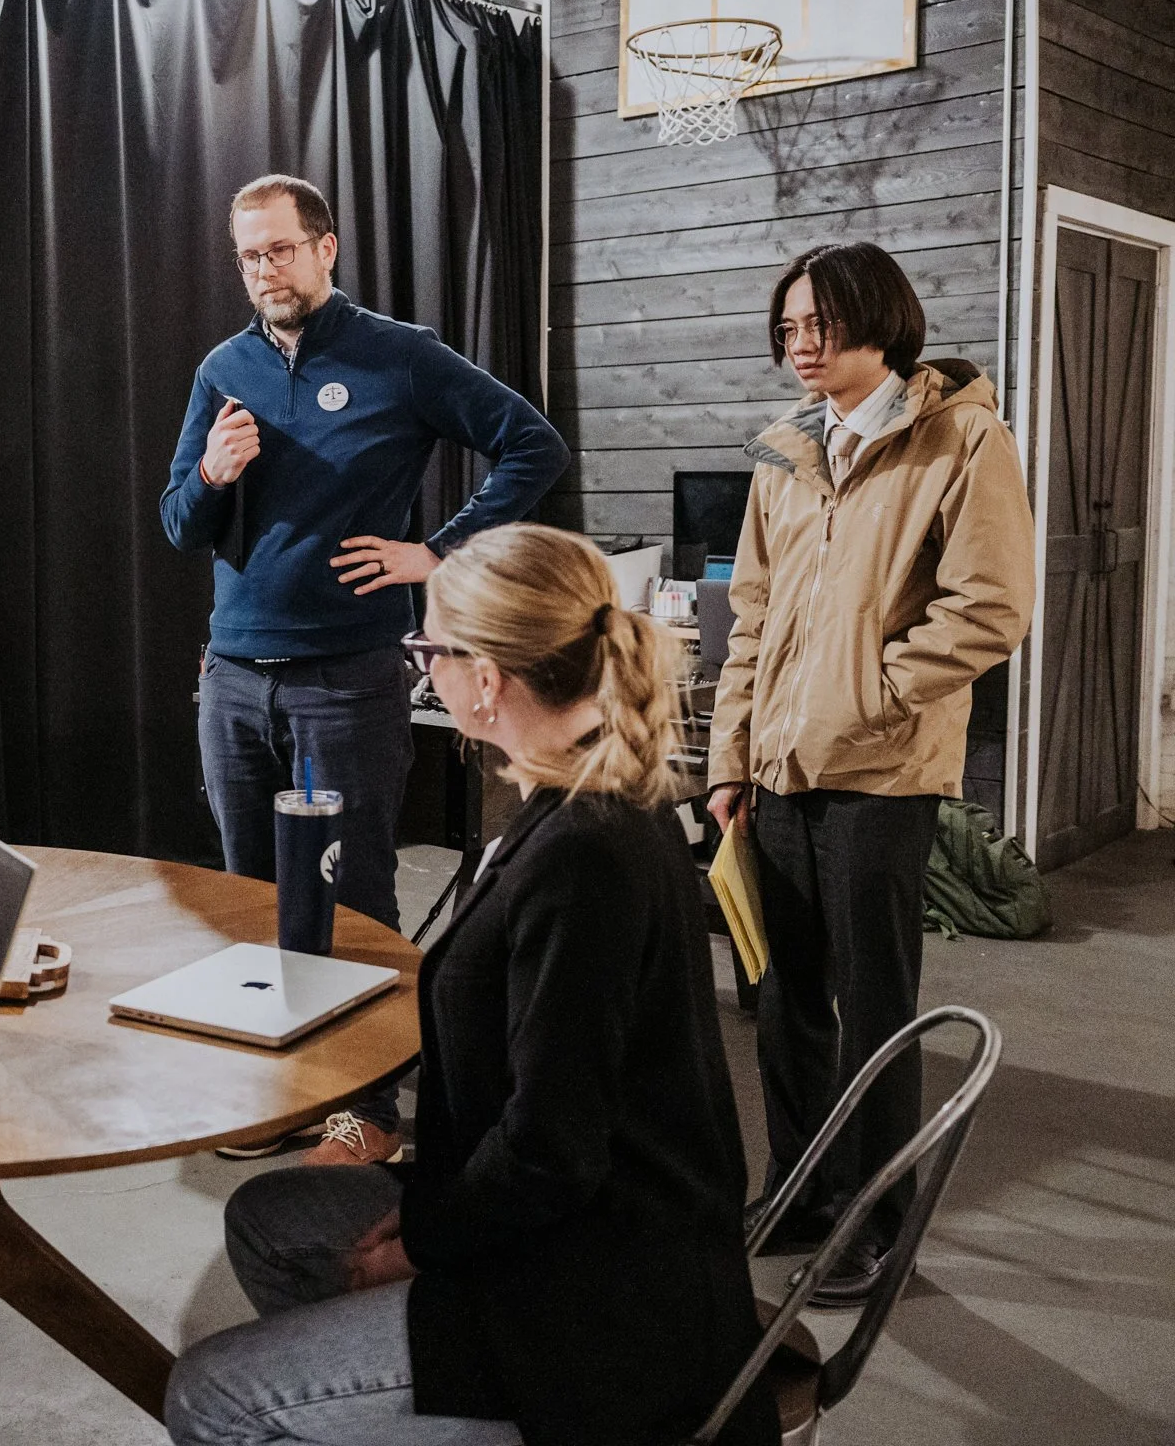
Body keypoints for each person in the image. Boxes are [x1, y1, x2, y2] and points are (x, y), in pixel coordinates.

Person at [165, 523, 777, 1446]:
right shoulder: (579, 795)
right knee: (270, 1215)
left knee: (207, 1395)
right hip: (566, 1221)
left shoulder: (586, 854)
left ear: (485, 680)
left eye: (430, 651)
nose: (424, 669)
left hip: (601, 1297)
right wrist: (425, 1222)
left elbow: (550, 1152)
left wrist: (420, 1246)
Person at [160, 174, 569, 1163]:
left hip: (346, 678)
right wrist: (212, 472)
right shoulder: (224, 368)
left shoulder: (399, 354)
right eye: (248, 256)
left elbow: (532, 444)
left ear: (326, 248)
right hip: (233, 677)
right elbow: (177, 522)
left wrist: (439, 552)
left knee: (353, 897)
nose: (264, 270)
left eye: (280, 249)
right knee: (253, 896)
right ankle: (281, 1090)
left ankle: (371, 1107)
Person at [707, 242, 1034, 1304]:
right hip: (778, 771)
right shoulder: (783, 453)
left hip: (883, 772)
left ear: (881, 321)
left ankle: (876, 1219)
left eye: (822, 324)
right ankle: (800, 1191)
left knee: (874, 1005)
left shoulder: (964, 439)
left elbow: (991, 605)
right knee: (786, 998)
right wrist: (730, 756)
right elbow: (751, 617)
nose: (802, 345)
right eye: (789, 329)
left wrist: (874, 693)